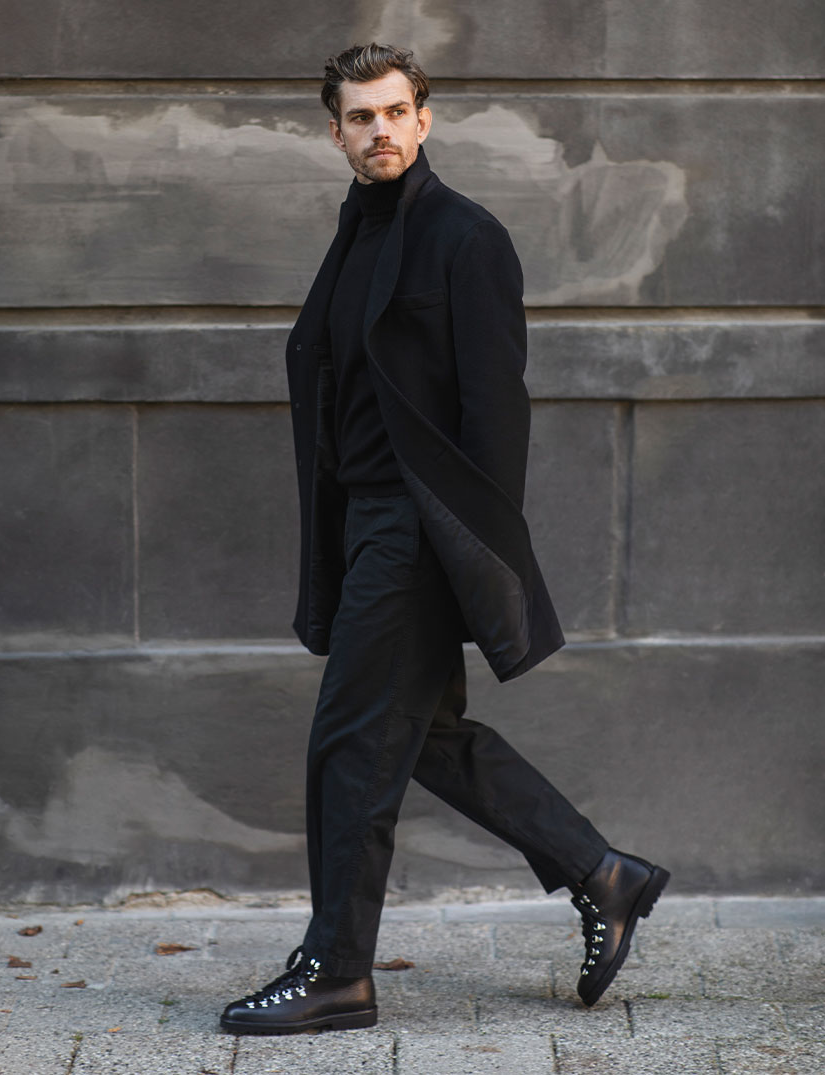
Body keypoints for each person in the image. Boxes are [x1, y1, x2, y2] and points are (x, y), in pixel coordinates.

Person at [220, 43, 669, 1036]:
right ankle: (603, 872)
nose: (379, 130)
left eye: (394, 112)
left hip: (421, 529)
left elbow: (496, 417)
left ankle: (337, 971)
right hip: (362, 523)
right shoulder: (356, 233)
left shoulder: (465, 237)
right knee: (420, 734)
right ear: (334, 132)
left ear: (423, 119)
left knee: (349, 741)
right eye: (360, 117)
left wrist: (466, 555)